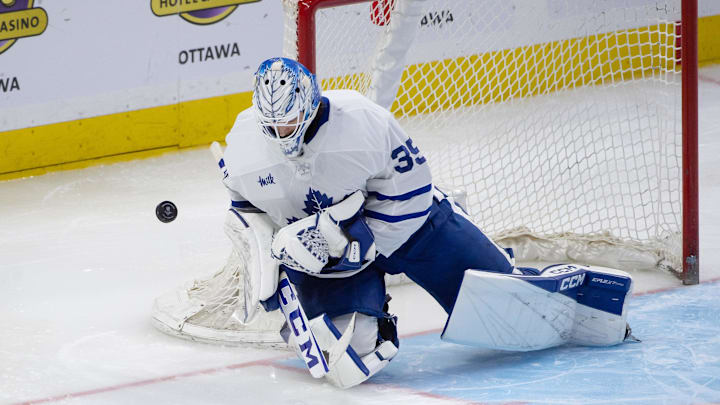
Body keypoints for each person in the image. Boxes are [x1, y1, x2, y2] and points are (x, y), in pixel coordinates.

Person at [220, 57, 636, 388]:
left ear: (310, 102)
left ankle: (557, 296)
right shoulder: (244, 142)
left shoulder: (363, 121)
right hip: (327, 257)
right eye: (272, 124)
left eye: (290, 120)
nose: (282, 132)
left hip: (412, 228)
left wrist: (357, 245)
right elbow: (244, 209)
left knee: (507, 302)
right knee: (354, 350)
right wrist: (279, 257)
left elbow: (413, 189)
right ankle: (343, 313)